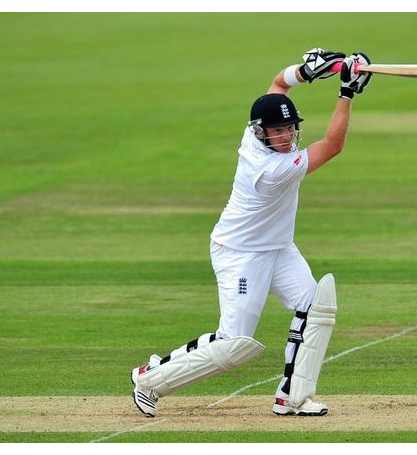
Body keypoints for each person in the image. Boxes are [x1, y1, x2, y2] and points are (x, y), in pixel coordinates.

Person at [131, 48, 373, 417]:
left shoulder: (254, 131)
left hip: (278, 247)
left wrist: (305, 72)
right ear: (262, 132)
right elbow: (333, 146)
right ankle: (150, 379)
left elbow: (278, 84)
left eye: (291, 128)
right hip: (240, 253)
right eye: (279, 131)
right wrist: (346, 92)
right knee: (234, 344)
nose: (287, 136)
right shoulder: (271, 170)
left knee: (316, 307)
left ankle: (293, 397)